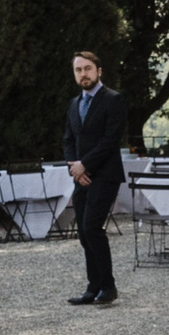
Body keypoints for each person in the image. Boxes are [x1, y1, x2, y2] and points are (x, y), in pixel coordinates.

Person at [62, 49, 128, 307]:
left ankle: (108, 287)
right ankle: (93, 286)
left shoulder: (113, 100)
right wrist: (75, 168)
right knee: (83, 232)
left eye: (87, 68)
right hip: (80, 176)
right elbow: (69, 139)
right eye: (78, 70)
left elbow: (111, 140)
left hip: (105, 174)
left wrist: (85, 165)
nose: (83, 74)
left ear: (98, 71)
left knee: (92, 227)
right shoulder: (74, 103)